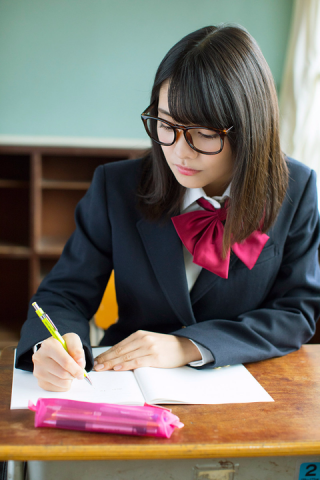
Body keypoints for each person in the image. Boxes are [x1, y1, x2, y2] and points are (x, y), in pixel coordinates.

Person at [16, 24, 320, 392]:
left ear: (249, 130)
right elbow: (63, 294)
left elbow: (295, 312)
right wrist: (51, 343)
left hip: (248, 385)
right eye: (166, 124)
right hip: (125, 383)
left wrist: (187, 345)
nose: (179, 151)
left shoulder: (297, 188)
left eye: (204, 134)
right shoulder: (117, 186)